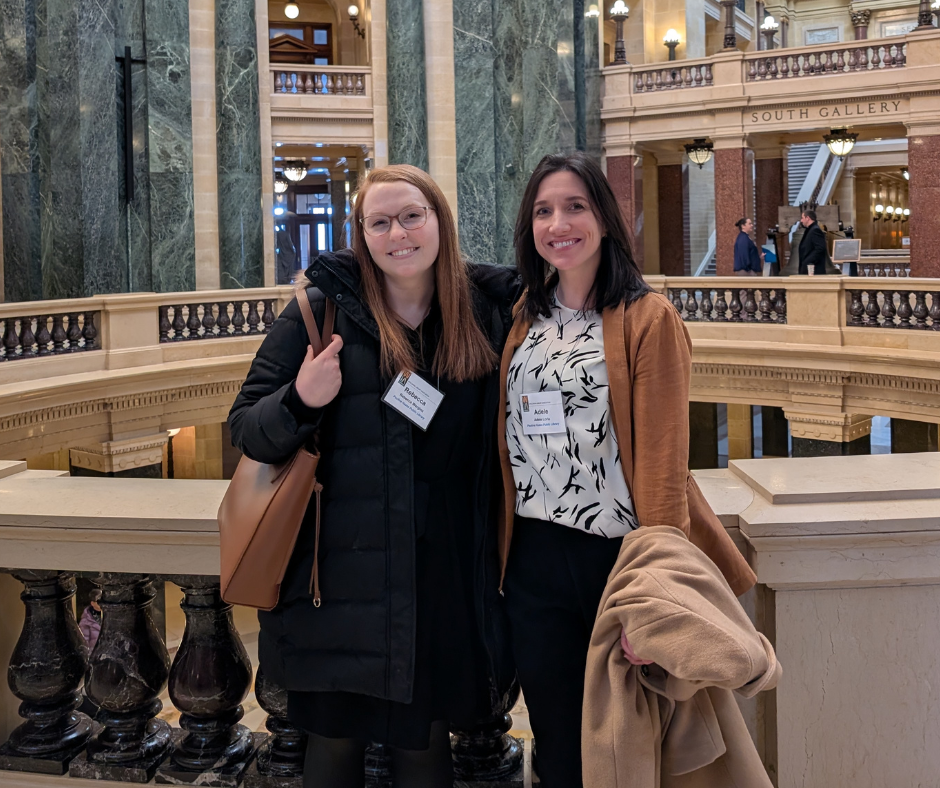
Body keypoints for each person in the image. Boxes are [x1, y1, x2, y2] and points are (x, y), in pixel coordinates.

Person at [229, 165, 519, 788]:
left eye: (412, 216)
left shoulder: (484, 314)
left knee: (424, 746)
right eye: (379, 222)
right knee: (334, 745)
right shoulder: (320, 312)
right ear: (361, 234)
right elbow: (246, 429)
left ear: (439, 220)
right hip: (342, 580)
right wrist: (302, 399)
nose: (398, 234)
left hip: (440, 580)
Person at [496, 152, 756, 788]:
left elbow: (664, 467)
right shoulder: (526, 313)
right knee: (556, 740)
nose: (559, 224)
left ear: (606, 219)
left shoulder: (648, 317)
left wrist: (655, 597)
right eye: (543, 211)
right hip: (532, 555)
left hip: (615, 559)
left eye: (575, 207)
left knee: (624, 746)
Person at [798, 208, 829, 275]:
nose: (801, 220)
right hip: (809, 269)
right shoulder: (810, 230)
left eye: (802, 218)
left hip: (813, 270)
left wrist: (808, 261)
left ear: (807, 218)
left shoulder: (815, 230)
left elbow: (820, 248)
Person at [78, 589, 102, 654]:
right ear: (92, 603)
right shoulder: (85, 622)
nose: (102, 603)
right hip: (95, 655)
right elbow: (84, 644)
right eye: (99, 601)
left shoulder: (108, 614)